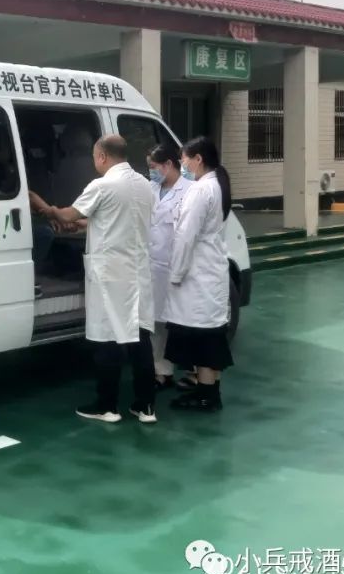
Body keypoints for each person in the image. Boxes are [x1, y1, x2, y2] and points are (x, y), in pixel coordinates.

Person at [52, 134, 157, 424]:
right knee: (140, 339)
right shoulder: (144, 185)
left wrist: (46, 209)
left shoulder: (102, 185)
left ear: (102, 156)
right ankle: (146, 406)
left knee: (107, 340)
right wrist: (83, 223)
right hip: (137, 273)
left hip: (110, 275)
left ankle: (106, 406)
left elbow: (68, 214)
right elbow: (114, 218)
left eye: (94, 157)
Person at [164, 136, 233, 412]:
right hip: (210, 270)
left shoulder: (200, 190)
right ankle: (210, 390)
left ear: (198, 159)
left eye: (184, 159)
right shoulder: (216, 184)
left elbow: (185, 237)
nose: (182, 164)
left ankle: (206, 395)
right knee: (211, 336)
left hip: (197, 273)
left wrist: (176, 274)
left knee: (203, 339)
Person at [145, 143, 194, 389]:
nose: (151, 172)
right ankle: (161, 372)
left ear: (168, 164)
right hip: (154, 265)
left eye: (153, 167)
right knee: (156, 322)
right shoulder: (151, 188)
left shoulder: (190, 191)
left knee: (184, 322)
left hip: (179, 266)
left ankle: (194, 371)